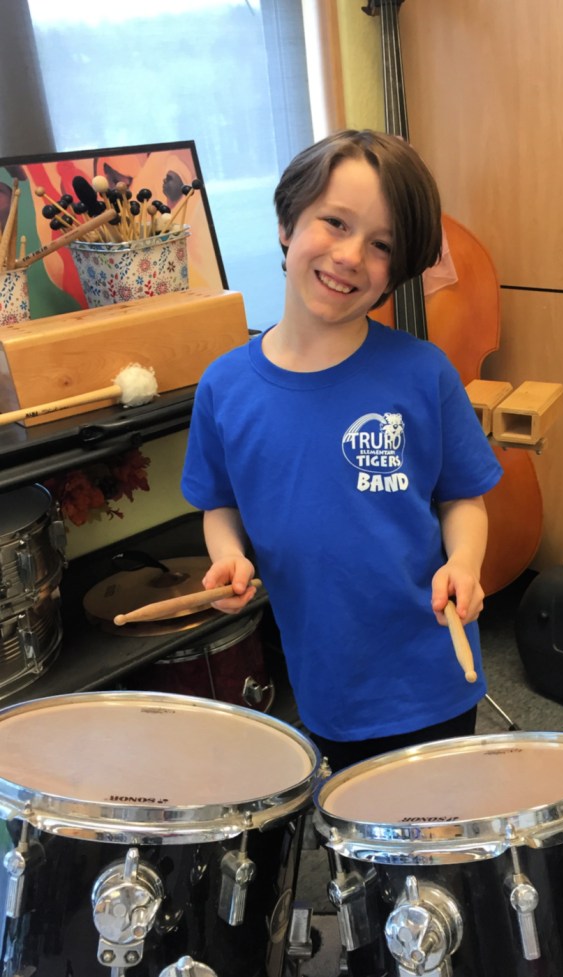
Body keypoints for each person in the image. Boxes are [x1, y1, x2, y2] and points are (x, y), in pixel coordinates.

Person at [181, 129, 503, 772]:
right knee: (350, 829)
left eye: (382, 245)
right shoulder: (224, 387)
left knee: (440, 827)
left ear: (396, 271)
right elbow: (220, 504)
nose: (352, 256)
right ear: (286, 223)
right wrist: (227, 558)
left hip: (433, 672)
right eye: (335, 222)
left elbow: (462, 496)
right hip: (328, 680)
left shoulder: (424, 373)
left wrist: (465, 562)